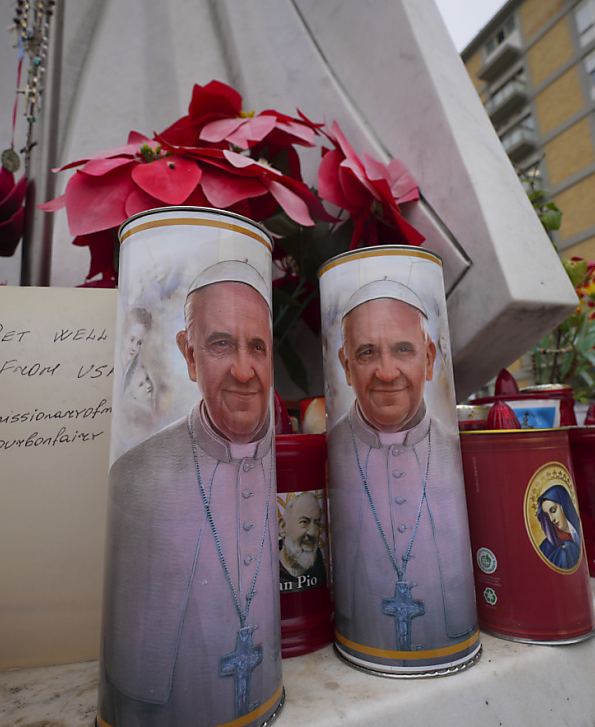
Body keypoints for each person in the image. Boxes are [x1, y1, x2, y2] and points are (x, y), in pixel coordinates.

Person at [98, 261, 283, 727]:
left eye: (257, 347)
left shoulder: (286, 462)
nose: (244, 370)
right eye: (221, 344)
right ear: (189, 353)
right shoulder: (134, 478)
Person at [326, 279, 479, 668]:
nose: (387, 372)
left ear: (428, 359)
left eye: (403, 350)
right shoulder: (326, 454)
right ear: (346, 365)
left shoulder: (457, 451)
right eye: (367, 353)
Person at [278, 491, 327, 592]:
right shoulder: (267, 565)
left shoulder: (319, 565)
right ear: (283, 527)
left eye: (316, 523)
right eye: (304, 522)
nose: (312, 532)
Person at [536, 485, 583, 570]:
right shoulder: (546, 546)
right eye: (547, 515)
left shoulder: (580, 533)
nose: (552, 519)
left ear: (564, 505)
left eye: (553, 510)